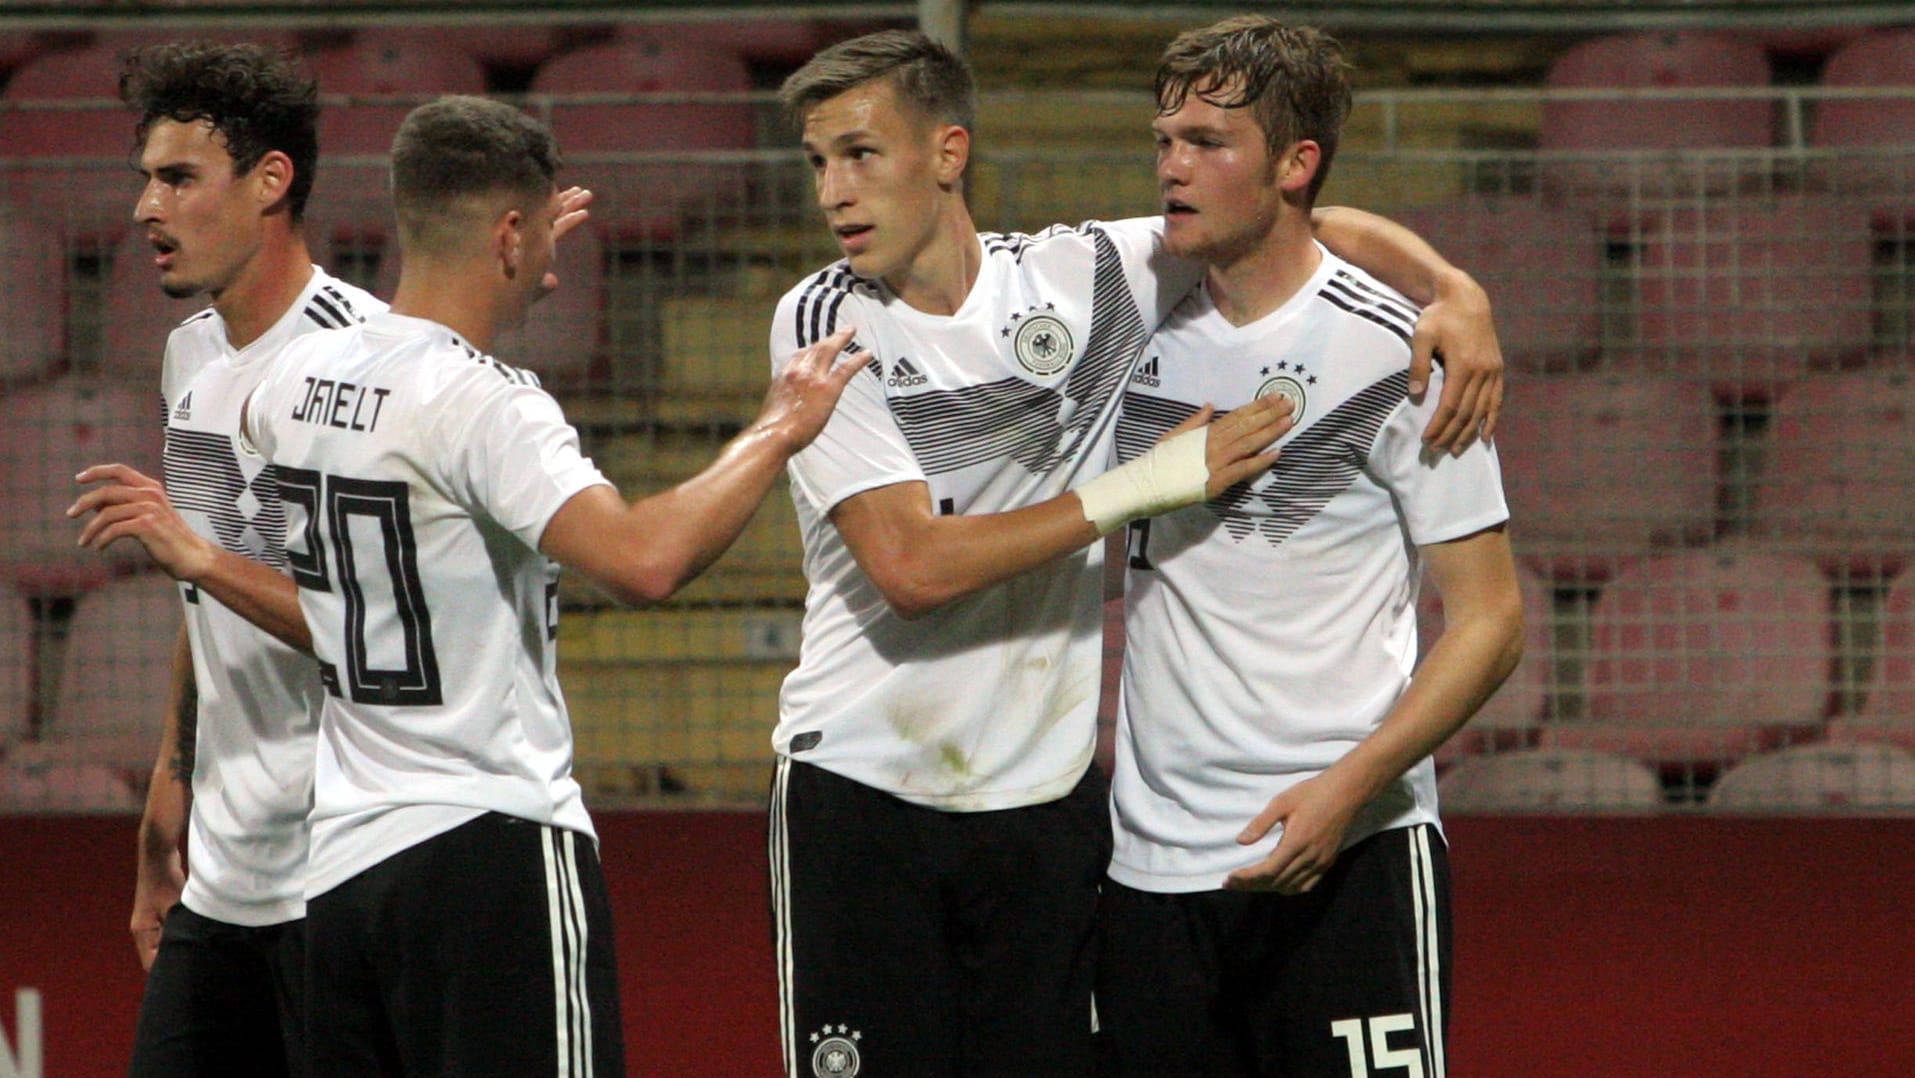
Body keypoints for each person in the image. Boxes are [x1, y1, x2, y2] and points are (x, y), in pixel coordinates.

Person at [766, 28, 1508, 1078]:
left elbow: (1298, 222)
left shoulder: (1103, 290)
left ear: (948, 152)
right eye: (816, 163)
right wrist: (1149, 483)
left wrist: (1452, 288)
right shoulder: (829, 322)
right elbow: (912, 570)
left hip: (1106, 819)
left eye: (860, 153)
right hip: (900, 798)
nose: (1171, 164)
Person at [72, 94, 860, 1077]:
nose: (555, 268)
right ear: (509, 233)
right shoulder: (492, 407)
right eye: (538, 245)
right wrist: (779, 426)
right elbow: (644, 557)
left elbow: (408, 420)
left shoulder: (291, 384)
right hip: (490, 847)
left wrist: (505, 259)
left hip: (347, 869)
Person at [1096, 18, 1525, 1077]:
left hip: (1353, 854)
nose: (1171, 167)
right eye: (1164, 139)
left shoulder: (1397, 349)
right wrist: (1449, 276)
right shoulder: (1125, 322)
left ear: (1295, 164)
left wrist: (1351, 787)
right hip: (1148, 866)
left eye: (1207, 143)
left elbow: (1492, 620)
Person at [116, 40, 383, 1078]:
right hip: (223, 872)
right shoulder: (191, 350)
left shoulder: (366, 363)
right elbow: (207, 592)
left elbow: (368, 625)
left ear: (272, 180)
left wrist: (195, 555)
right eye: (145, 178)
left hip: (345, 864)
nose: (147, 207)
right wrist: (171, 778)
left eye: (178, 178)